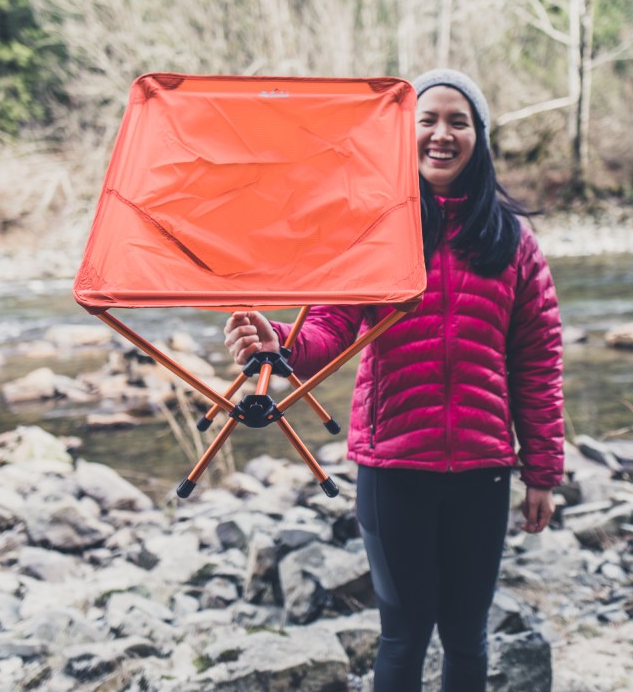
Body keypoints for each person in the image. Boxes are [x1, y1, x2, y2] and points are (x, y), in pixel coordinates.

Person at [223, 69, 564, 691]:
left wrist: (542, 472)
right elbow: (329, 326)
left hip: (482, 471)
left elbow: (538, 365)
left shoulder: (513, 240)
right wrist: (282, 343)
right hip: (393, 467)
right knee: (404, 635)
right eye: (427, 120)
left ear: (478, 138)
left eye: (458, 121)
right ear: (404, 135)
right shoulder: (375, 228)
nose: (441, 134)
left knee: (466, 636)